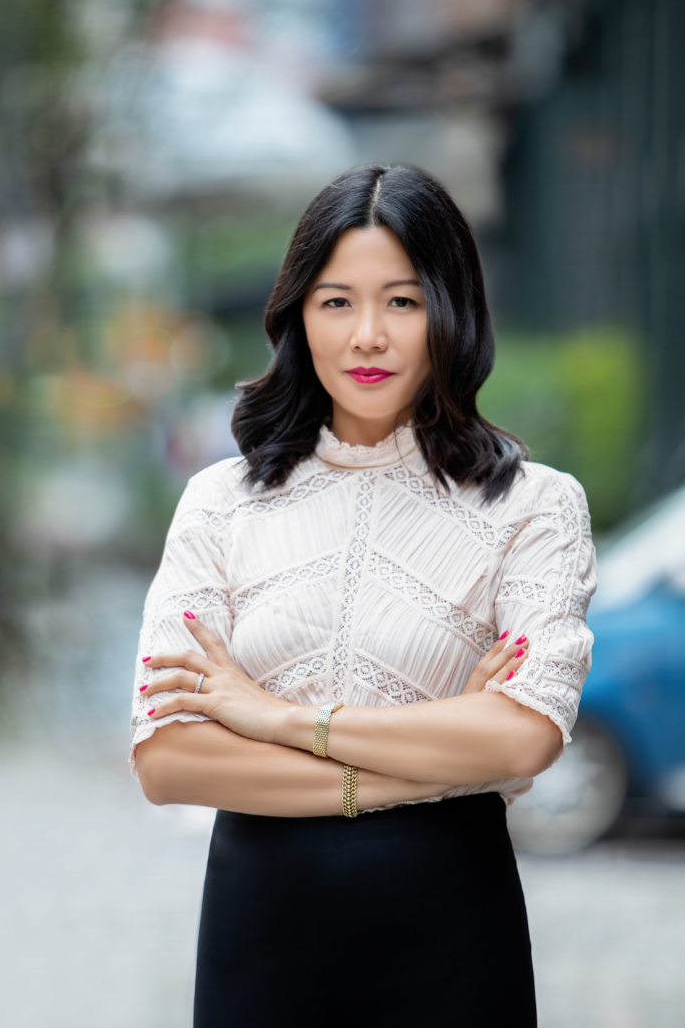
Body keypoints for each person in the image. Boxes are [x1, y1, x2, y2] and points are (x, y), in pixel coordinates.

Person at [131, 164, 596, 1028]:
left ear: (451, 311)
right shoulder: (221, 503)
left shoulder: (537, 507)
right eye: (337, 301)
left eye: (404, 302)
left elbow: (525, 736)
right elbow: (168, 760)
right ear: (298, 315)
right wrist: (433, 760)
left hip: (453, 933)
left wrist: (271, 717)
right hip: (259, 932)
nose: (368, 336)